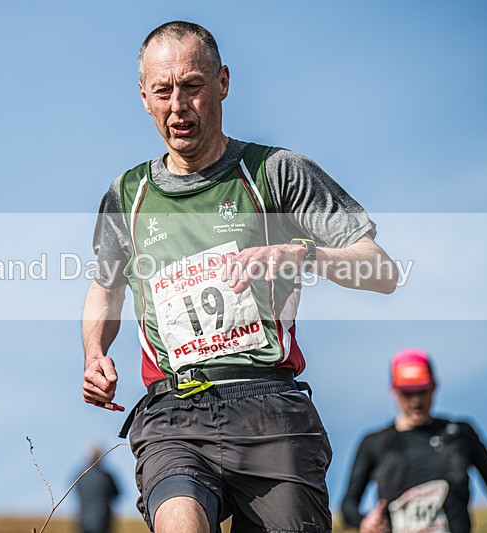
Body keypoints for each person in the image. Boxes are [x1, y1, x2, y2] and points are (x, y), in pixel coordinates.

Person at [82, 20, 398, 533]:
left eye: (192, 87)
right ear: (144, 97)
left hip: (270, 407)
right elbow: (106, 285)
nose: (178, 106)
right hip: (174, 409)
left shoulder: (277, 172)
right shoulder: (128, 195)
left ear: (223, 82)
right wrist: (95, 353)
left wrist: (303, 255)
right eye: (163, 91)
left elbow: (380, 270)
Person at [340, 348, 487, 533]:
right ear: (393, 391)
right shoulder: (375, 443)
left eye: (422, 391)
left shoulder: (459, 434)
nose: (416, 401)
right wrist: (364, 523)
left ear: (434, 386)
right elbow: (348, 505)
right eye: (407, 393)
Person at [73, 445, 120, 533]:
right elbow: (117, 494)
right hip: (103, 520)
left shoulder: (80, 476)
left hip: (84, 520)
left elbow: (77, 492)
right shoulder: (107, 476)